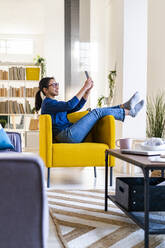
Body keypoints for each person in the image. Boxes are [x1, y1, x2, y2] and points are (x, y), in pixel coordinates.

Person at [35, 77, 144, 143]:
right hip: (67, 136)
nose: (57, 86)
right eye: (53, 85)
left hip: (69, 134)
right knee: (96, 112)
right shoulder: (48, 103)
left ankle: (124, 106)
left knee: (97, 111)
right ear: (45, 90)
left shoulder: (54, 104)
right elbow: (70, 104)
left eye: (57, 84)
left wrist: (87, 92)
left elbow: (76, 107)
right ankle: (130, 112)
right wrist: (84, 87)